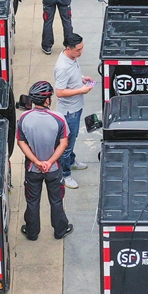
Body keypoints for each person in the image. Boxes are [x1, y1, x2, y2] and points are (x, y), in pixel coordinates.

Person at [17, 81, 73, 241]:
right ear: (47, 100)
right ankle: (60, 230)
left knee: (32, 202)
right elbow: (64, 143)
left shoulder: (24, 118)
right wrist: (48, 163)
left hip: (32, 170)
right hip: (54, 169)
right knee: (56, 200)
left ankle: (32, 232)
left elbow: (21, 142)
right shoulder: (59, 118)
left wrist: (36, 161)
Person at [52, 34, 91, 189]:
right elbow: (60, 92)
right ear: (69, 48)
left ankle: (71, 161)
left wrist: (81, 78)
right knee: (66, 144)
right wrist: (81, 90)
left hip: (76, 107)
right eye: (78, 50)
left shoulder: (72, 59)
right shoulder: (62, 67)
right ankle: (65, 174)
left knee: (73, 137)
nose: (81, 52)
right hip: (69, 111)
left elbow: (72, 77)